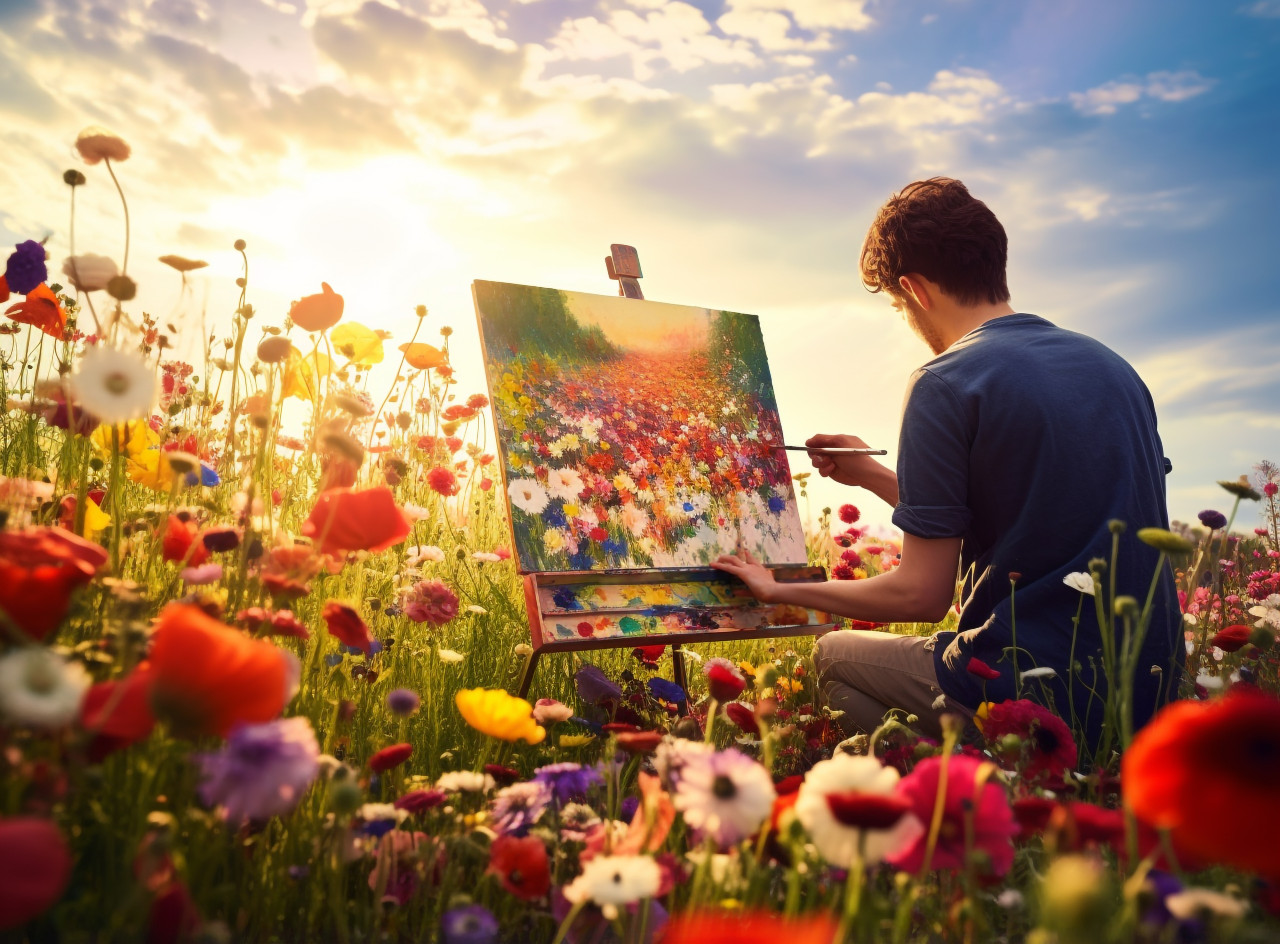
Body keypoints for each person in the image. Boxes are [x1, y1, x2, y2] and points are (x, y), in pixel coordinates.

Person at [712, 177, 1180, 753]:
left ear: (913, 289)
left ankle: (967, 796)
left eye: (896, 303)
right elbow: (1035, 506)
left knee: (831, 657)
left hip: (1031, 691)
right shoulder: (1112, 367)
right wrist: (874, 476)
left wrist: (776, 586)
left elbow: (920, 595)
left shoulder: (946, 380)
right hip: (1151, 697)